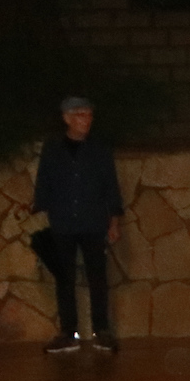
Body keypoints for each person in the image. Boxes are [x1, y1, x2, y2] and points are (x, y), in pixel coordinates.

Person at [31, 95, 125, 353]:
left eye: (89, 115)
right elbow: (44, 181)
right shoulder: (53, 148)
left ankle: (101, 330)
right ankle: (67, 332)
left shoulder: (99, 149)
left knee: (97, 278)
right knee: (65, 279)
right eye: (80, 115)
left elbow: (110, 187)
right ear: (67, 118)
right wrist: (42, 208)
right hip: (63, 223)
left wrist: (113, 222)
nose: (86, 121)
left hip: (93, 222)